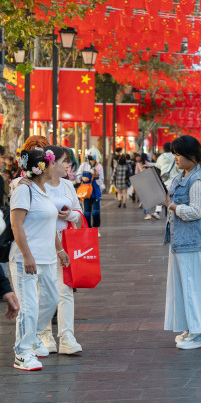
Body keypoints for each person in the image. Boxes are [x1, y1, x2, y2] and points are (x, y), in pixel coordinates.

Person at [8, 149, 67, 371]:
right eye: (55, 163)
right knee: (29, 306)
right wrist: (27, 255)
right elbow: (17, 225)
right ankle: (22, 353)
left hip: (48, 258)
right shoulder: (23, 190)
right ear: (43, 167)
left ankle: (32, 337)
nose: (58, 167)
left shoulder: (43, 190)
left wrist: (59, 250)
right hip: (27, 259)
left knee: (51, 300)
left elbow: (49, 223)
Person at [162, 135, 201, 350]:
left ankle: (200, 333)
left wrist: (173, 206)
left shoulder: (198, 180)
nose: (175, 158)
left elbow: (195, 212)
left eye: (178, 154)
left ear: (192, 157)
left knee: (193, 287)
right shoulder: (180, 177)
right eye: (174, 153)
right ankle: (190, 328)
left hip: (193, 242)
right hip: (179, 241)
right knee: (183, 287)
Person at [76, 155, 103, 229]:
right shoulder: (84, 165)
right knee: (86, 212)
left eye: (93, 159)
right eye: (90, 159)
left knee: (96, 211)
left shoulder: (99, 167)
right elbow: (77, 176)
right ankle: (88, 228)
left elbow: (100, 182)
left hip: (96, 192)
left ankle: (95, 229)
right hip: (86, 192)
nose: (92, 161)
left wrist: (97, 176)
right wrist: (82, 178)